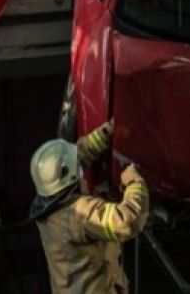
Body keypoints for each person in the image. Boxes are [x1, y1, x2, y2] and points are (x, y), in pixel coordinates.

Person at [30, 121, 149, 292]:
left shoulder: (47, 205)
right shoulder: (79, 213)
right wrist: (134, 183)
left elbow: (74, 160)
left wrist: (104, 133)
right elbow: (128, 221)